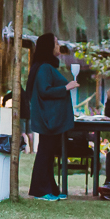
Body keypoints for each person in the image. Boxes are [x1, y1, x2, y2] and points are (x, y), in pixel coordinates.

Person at [25, 33, 78, 200]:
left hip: (51, 118)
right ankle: (40, 190)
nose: (58, 46)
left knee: (48, 154)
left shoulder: (47, 67)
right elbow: (44, 90)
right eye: (56, 43)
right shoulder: (44, 68)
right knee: (45, 153)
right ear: (48, 47)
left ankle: (50, 188)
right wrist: (66, 87)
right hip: (48, 118)